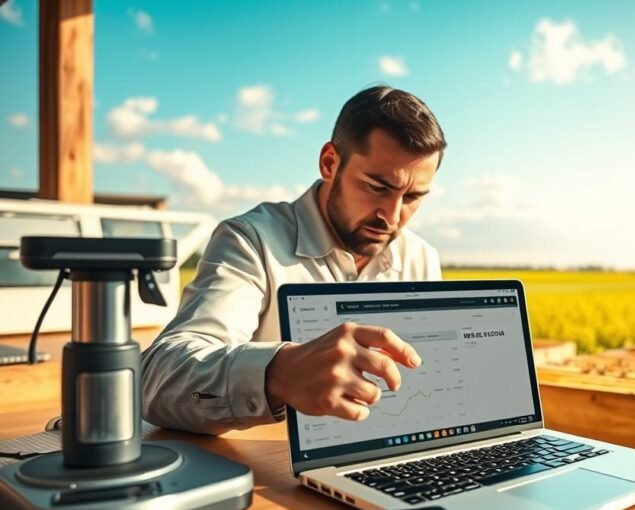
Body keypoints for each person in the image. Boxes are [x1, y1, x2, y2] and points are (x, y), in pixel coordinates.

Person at [141, 85, 446, 435]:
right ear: (330, 163)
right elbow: (158, 378)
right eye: (377, 187)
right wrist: (277, 375)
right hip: (271, 471)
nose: (391, 217)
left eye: (412, 197)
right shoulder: (250, 241)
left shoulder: (422, 258)